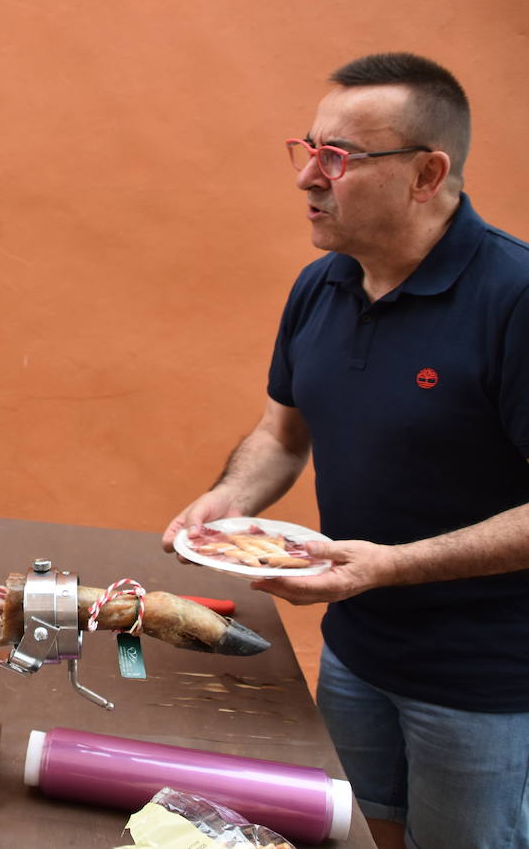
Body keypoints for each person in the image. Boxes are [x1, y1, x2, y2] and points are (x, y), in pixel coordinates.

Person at [162, 53, 529, 849]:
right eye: (307, 150)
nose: (308, 178)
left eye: (339, 157)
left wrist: (390, 566)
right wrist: (230, 502)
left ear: (427, 175)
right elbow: (282, 433)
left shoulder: (514, 299)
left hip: (486, 681)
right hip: (356, 652)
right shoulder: (321, 284)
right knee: (358, 836)